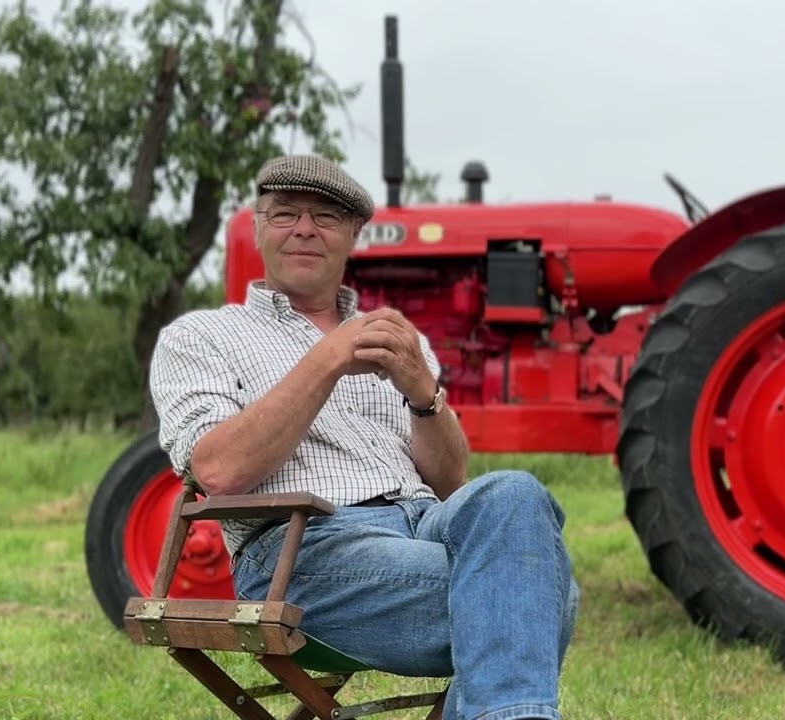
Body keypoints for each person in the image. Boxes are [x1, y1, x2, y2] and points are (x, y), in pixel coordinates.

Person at [149, 154, 580, 720]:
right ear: (258, 226)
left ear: (354, 234)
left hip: (426, 523)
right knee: (545, 594)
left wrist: (424, 393)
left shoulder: (397, 338)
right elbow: (220, 471)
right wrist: (324, 360)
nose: (304, 228)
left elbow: (451, 482)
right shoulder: (202, 337)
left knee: (515, 495)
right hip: (304, 550)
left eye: (325, 217)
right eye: (285, 214)